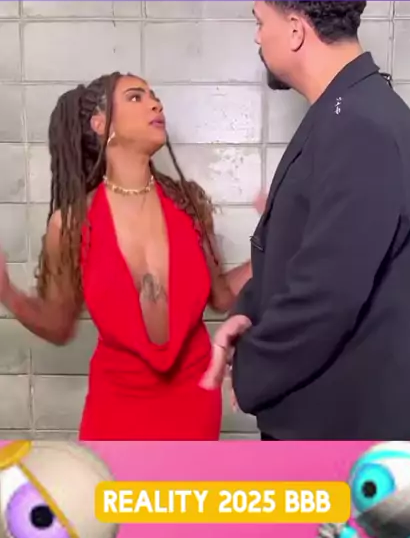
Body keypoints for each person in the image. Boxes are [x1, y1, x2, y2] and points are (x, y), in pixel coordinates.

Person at [202, 0, 410, 441]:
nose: (257, 36)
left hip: (343, 434)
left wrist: (252, 365)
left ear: (295, 29)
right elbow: (305, 254)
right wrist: (250, 313)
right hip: (332, 421)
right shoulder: (344, 110)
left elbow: (328, 291)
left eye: (260, 22)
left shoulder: (358, 124)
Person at [0, 72, 253, 441]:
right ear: (100, 124)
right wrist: (7, 292)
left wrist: (277, 245)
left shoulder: (189, 203)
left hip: (194, 400)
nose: (155, 104)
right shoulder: (71, 223)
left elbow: (222, 296)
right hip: (117, 406)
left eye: (154, 96)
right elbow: (58, 324)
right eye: (136, 97)